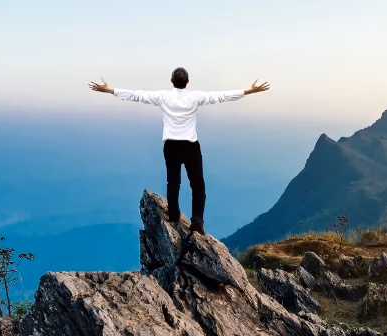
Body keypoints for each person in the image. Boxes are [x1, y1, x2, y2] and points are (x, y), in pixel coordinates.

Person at [88, 68, 270, 234]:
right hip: (190, 145)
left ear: (171, 81)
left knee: (173, 182)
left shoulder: (163, 97)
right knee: (197, 184)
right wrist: (248, 91)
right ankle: (197, 222)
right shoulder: (195, 97)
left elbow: (137, 95)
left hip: (171, 145)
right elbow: (221, 96)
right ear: (187, 81)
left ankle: (174, 216)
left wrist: (110, 90)